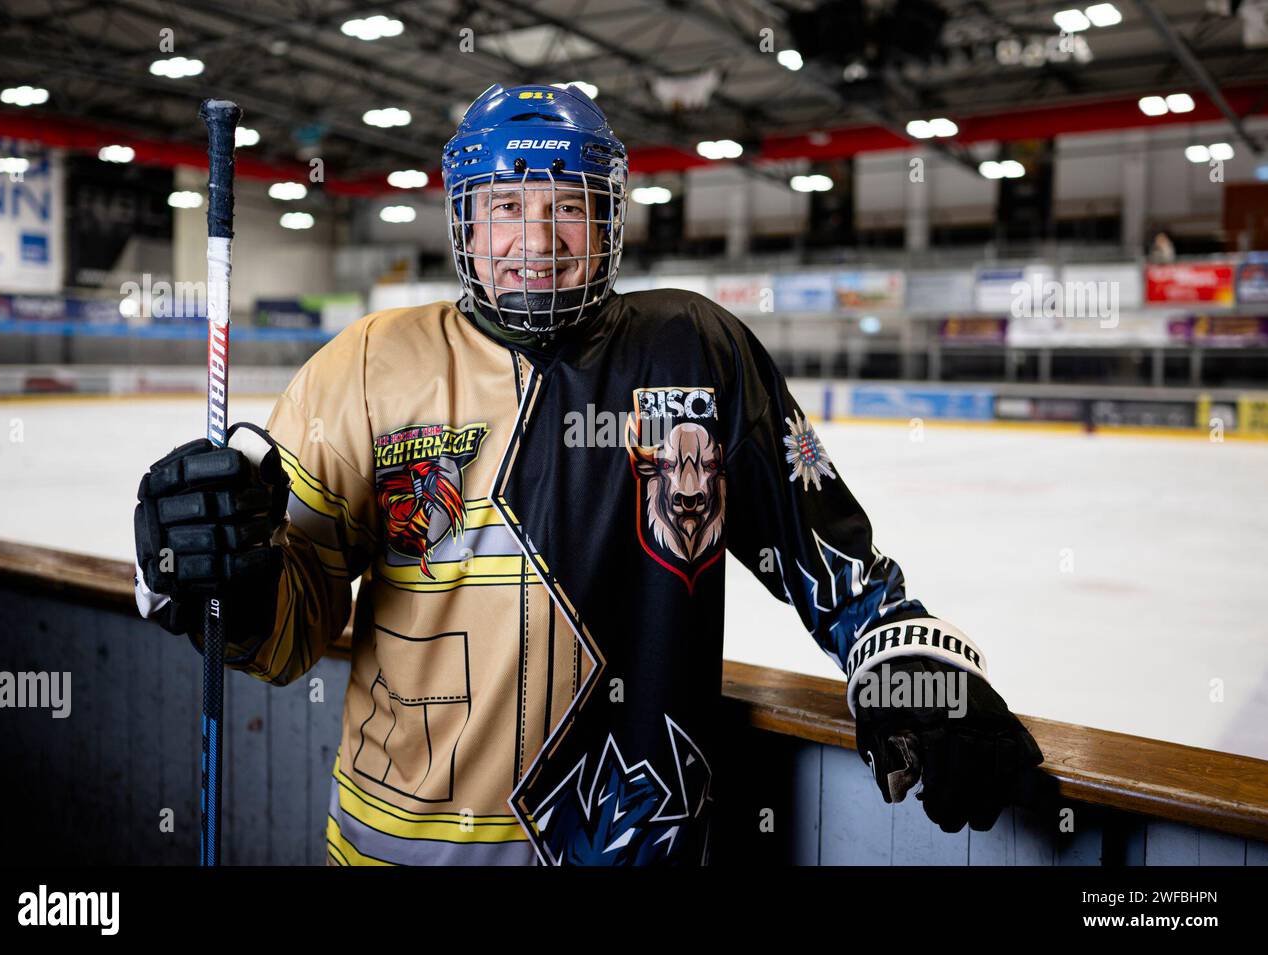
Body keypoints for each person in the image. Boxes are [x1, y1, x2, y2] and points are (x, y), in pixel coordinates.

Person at [132, 83, 1044, 866]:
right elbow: (292, 629)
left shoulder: (698, 349)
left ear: (608, 216)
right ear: (465, 219)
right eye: (506, 204)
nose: (537, 235)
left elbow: (834, 567)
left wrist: (914, 670)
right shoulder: (367, 364)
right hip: (398, 852)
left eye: (567, 203)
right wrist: (228, 579)